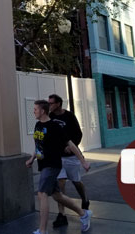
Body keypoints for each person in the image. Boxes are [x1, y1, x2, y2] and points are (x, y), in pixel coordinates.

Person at [26, 100, 92, 234]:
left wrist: (82, 161)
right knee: (57, 196)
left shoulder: (54, 127)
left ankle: (42, 231)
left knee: (42, 193)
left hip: (52, 165)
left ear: (43, 111)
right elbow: (39, 145)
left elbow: (71, 144)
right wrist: (32, 158)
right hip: (43, 164)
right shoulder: (38, 125)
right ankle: (83, 214)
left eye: (35, 109)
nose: (34, 111)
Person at [48, 94, 89, 228]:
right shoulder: (50, 116)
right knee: (60, 184)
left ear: (58, 104)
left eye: (51, 103)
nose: (49, 106)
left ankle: (84, 198)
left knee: (76, 181)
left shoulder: (69, 116)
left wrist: (70, 147)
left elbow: (78, 134)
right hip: (58, 157)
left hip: (71, 156)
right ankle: (62, 215)